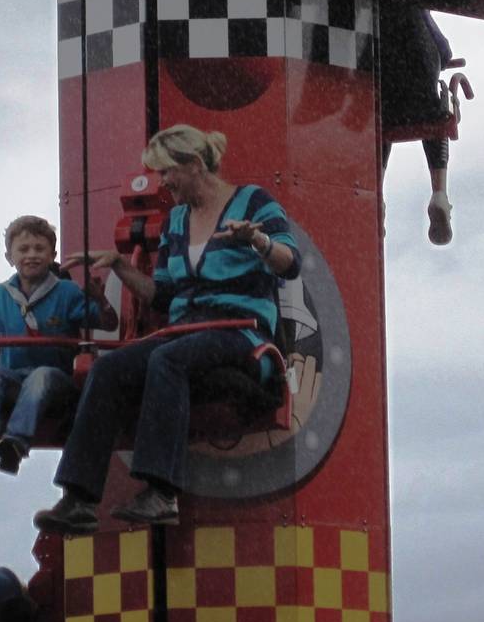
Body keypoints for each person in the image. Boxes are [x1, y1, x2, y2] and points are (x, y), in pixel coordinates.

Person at [33, 124, 301, 532]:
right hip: (185, 330)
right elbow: (163, 295)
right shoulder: (177, 221)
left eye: (166, 173)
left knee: (167, 359)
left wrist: (258, 242)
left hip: (242, 334)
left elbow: (291, 262)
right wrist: (121, 267)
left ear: (193, 165)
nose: (163, 183)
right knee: (109, 368)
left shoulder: (253, 202)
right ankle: (80, 498)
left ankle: (161, 493)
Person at [0, 215, 117, 476]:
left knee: (40, 377)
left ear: (52, 255)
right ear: (10, 257)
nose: (32, 255)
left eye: (39, 249)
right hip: (13, 375)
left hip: (57, 378)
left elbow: (108, 323)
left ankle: (15, 441)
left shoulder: (67, 293)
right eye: (24, 249)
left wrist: (100, 299)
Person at [380, 0, 458, 245]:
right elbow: (443, 51)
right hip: (421, 97)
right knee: (436, 112)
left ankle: (377, 193)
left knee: (380, 124)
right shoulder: (415, 4)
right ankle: (439, 194)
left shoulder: (367, 6)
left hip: (384, 92)